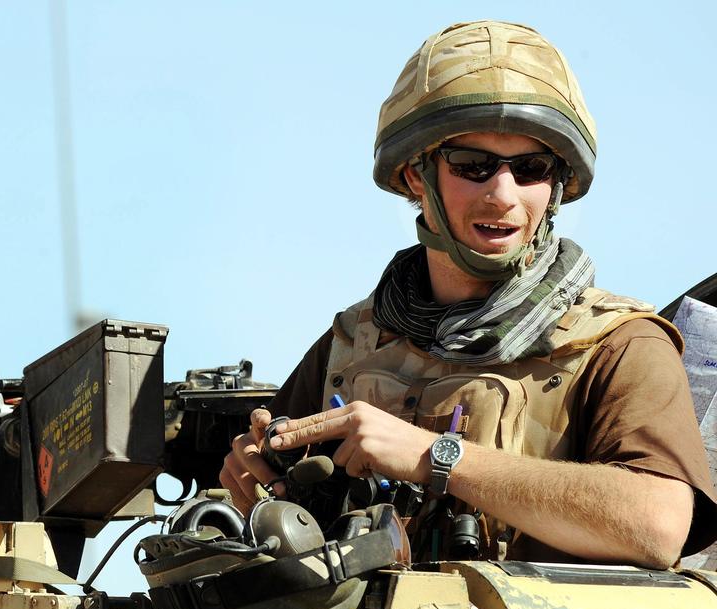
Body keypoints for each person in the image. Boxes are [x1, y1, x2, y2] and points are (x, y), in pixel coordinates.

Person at [219, 20, 717, 570]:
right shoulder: (350, 346)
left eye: (530, 169)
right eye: (472, 166)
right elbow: (258, 520)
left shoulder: (619, 345)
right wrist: (253, 483)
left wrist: (435, 457)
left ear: (556, 186)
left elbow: (659, 525)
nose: (502, 195)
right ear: (415, 175)